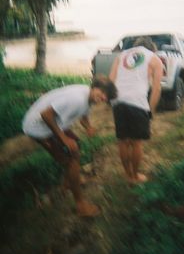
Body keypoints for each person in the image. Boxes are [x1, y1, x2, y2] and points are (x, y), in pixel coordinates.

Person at [22, 76, 117, 217]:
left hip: (54, 122)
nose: (103, 98)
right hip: (38, 127)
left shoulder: (88, 96)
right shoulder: (77, 99)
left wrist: (88, 127)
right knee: (71, 158)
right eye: (102, 93)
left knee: (75, 146)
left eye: (106, 97)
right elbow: (46, 115)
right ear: (94, 87)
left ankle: (68, 183)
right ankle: (80, 205)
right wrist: (63, 138)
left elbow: (84, 114)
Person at [109, 36, 163, 184]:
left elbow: (111, 81)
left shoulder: (121, 56)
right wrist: (150, 110)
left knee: (123, 141)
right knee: (136, 142)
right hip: (137, 101)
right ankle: (135, 176)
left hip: (118, 100)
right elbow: (157, 88)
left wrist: (113, 102)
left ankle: (127, 175)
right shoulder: (154, 59)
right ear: (152, 48)